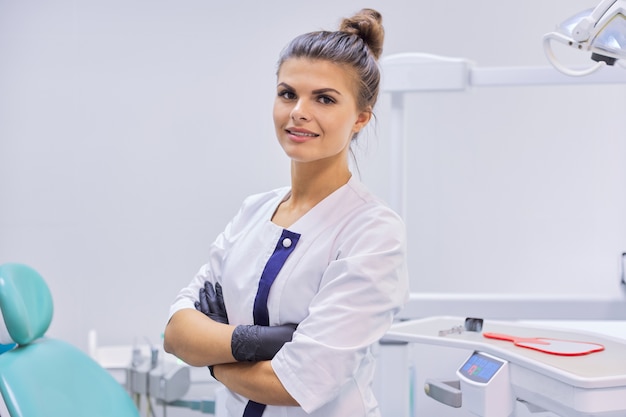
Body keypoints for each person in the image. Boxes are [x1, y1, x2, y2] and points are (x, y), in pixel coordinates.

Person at [164, 8, 409, 417]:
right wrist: (256, 342)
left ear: (361, 119)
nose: (298, 111)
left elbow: (295, 384)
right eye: (287, 93)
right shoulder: (253, 212)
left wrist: (212, 355)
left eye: (325, 99)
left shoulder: (372, 232)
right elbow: (175, 333)